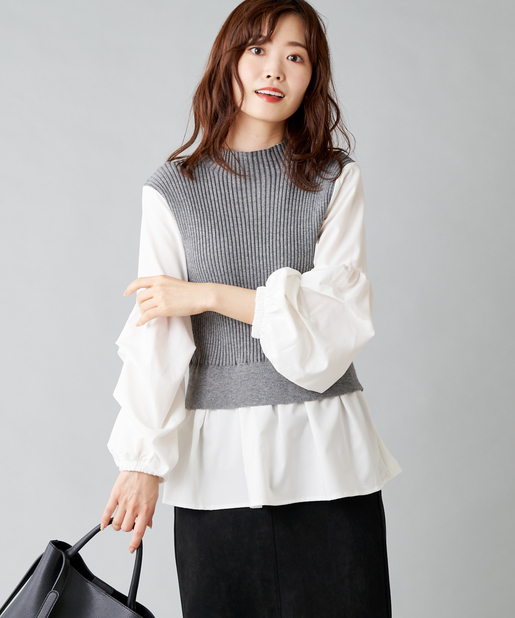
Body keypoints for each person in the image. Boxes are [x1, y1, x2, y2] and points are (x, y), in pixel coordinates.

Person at [101, 0, 402, 616]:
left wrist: (210, 295)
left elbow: (335, 320)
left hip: (326, 458)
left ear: (312, 77)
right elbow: (158, 332)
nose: (274, 70)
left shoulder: (333, 179)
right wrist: (141, 461)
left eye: (296, 57)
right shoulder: (172, 188)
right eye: (258, 50)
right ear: (229, 61)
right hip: (216, 465)